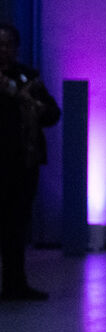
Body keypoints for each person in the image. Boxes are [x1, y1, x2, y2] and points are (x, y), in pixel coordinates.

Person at [0, 22, 60, 301]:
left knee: (17, 225)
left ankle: (15, 283)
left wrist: (32, 105)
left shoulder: (28, 78)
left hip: (23, 163)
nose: (4, 50)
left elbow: (52, 114)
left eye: (8, 44)